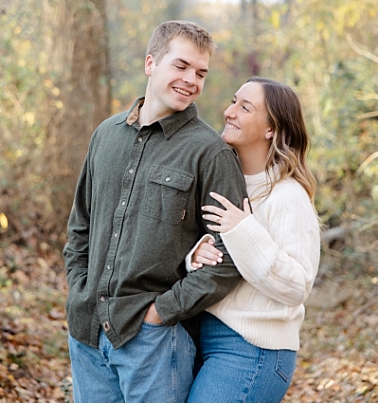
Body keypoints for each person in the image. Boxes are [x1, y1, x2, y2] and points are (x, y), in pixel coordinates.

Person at [63, 20, 248, 403]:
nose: (191, 80)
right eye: (180, 66)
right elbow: (80, 225)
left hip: (153, 340)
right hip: (86, 333)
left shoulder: (210, 153)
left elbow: (232, 254)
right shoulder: (105, 135)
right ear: (151, 63)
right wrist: (79, 289)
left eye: (200, 73)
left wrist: (162, 312)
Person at [185, 77, 321, 403]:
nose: (229, 112)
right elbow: (223, 256)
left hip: (254, 349)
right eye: (234, 101)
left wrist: (243, 230)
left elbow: (297, 285)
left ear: (271, 129)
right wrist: (196, 256)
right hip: (204, 333)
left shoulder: (288, 195)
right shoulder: (224, 181)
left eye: (245, 108)